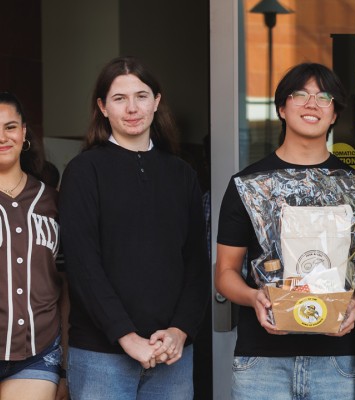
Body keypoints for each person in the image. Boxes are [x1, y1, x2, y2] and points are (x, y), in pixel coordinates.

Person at [59, 56, 210, 399]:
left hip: (172, 355)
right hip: (102, 356)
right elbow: (84, 266)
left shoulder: (181, 174)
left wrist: (180, 331)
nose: (132, 108)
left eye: (141, 96)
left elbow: (197, 265)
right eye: (119, 98)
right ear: (102, 107)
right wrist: (127, 337)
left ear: (157, 102)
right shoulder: (85, 171)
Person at [215, 63, 355, 400]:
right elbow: (224, 272)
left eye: (324, 97)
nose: (312, 104)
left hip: (338, 361)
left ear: (335, 114)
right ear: (282, 108)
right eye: (300, 95)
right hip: (262, 362)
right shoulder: (248, 186)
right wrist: (254, 297)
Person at [0, 92, 67, 400]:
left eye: (10, 127)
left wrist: (66, 363)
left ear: (24, 132)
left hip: (37, 352)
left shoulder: (53, 202)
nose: (3, 137)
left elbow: (67, 284)